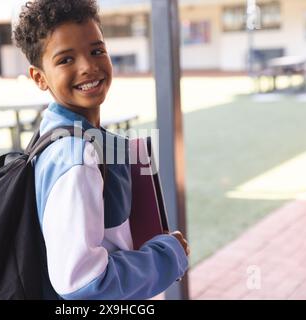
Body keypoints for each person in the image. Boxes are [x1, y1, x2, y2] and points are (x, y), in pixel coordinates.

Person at [13, 0, 190, 300]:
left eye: (97, 51)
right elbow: (82, 282)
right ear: (39, 77)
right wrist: (167, 255)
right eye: (65, 60)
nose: (88, 66)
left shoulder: (62, 132)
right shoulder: (75, 157)